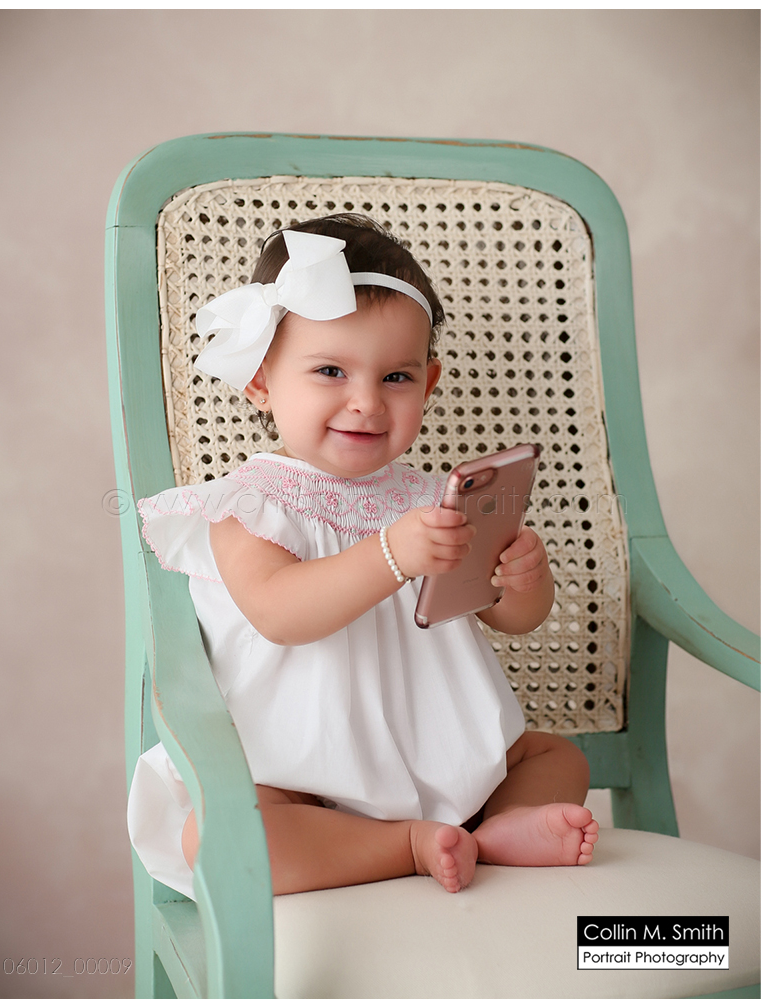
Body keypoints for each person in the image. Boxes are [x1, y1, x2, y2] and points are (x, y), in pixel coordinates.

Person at [128, 214, 598, 899]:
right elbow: (280, 613)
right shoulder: (247, 504)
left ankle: (502, 826)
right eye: (330, 371)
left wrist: (522, 580)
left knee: (556, 755)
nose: (367, 403)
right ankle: (403, 845)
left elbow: (508, 618)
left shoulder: (434, 498)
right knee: (224, 834)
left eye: (397, 377)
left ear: (428, 385)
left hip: (440, 749)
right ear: (260, 381)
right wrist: (391, 553)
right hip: (301, 774)